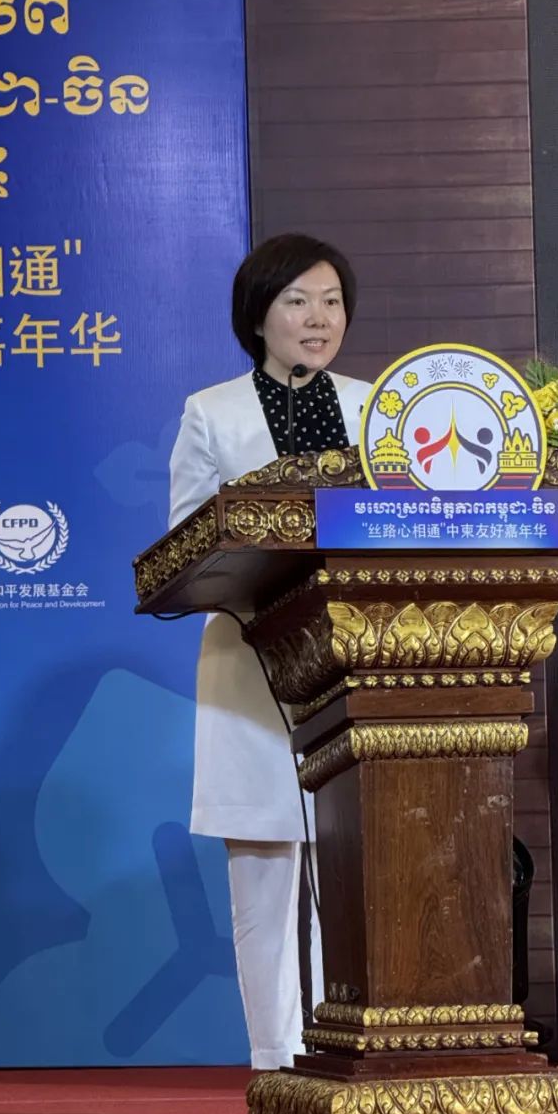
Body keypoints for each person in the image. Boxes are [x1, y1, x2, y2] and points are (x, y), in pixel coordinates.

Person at [168, 234, 371, 1070]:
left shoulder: (378, 408)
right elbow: (183, 548)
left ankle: (348, 1046)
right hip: (253, 661)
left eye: (331, 301)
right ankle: (274, 1059)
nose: (318, 318)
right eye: (297, 301)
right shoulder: (212, 412)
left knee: (351, 860)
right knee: (263, 865)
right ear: (258, 317)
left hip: (361, 660)